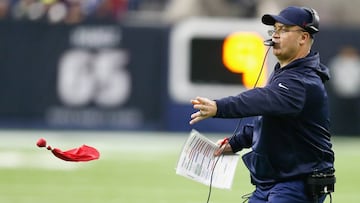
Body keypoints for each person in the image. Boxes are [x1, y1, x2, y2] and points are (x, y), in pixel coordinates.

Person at [189, 6, 335, 203]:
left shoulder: (302, 80)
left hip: (297, 182)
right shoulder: (284, 72)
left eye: (283, 30)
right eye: (274, 30)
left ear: (303, 37)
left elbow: (261, 99)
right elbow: (269, 121)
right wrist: (236, 143)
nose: (275, 36)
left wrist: (219, 107)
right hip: (273, 181)